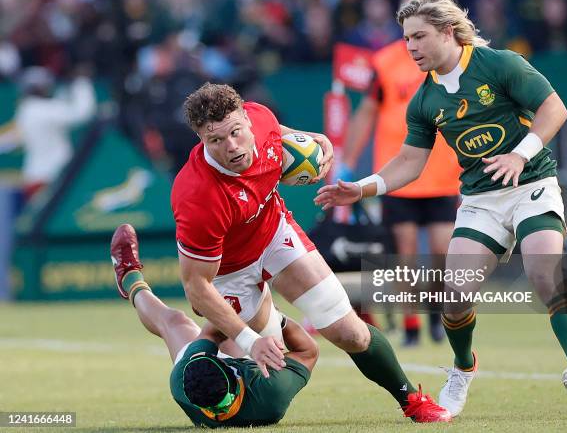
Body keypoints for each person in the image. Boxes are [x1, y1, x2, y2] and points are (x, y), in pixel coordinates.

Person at [315, 0, 567, 417]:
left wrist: (520, 154)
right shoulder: (425, 99)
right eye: (406, 38)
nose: (410, 46)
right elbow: (410, 162)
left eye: (419, 36)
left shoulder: (498, 63)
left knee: (545, 273)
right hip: (481, 201)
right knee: (455, 296)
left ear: (448, 32)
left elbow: (553, 109)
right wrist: (364, 187)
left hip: (531, 185)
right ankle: (463, 367)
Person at [169, 82, 451, 422]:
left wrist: (317, 139)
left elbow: (282, 134)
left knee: (352, 333)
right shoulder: (197, 195)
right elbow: (197, 287)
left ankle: (412, 400)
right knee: (247, 372)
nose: (232, 146)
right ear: (201, 140)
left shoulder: (261, 118)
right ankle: (146, 296)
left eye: (235, 132)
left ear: (247, 119)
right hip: (229, 272)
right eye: (216, 140)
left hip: (274, 236)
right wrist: (248, 340)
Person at [110, 223, 316, 428]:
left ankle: (129, 278)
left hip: (208, 393)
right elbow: (308, 352)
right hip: (254, 388)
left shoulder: (182, 380)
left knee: (173, 321)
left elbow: (211, 332)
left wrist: (208, 303)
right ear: (232, 371)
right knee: (242, 315)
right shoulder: (271, 390)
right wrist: (278, 319)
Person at [340, 34, 462, 346]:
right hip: (398, 174)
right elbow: (366, 111)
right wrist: (347, 160)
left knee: (442, 251)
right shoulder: (385, 61)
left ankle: (435, 313)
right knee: (404, 254)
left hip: (443, 173)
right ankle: (410, 326)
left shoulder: (451, 57)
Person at [14, 66, 95, 199]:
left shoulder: (26, 109)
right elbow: (82, 113)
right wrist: (82, 82)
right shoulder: (40, 109)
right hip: (49, 178)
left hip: (36, 176)